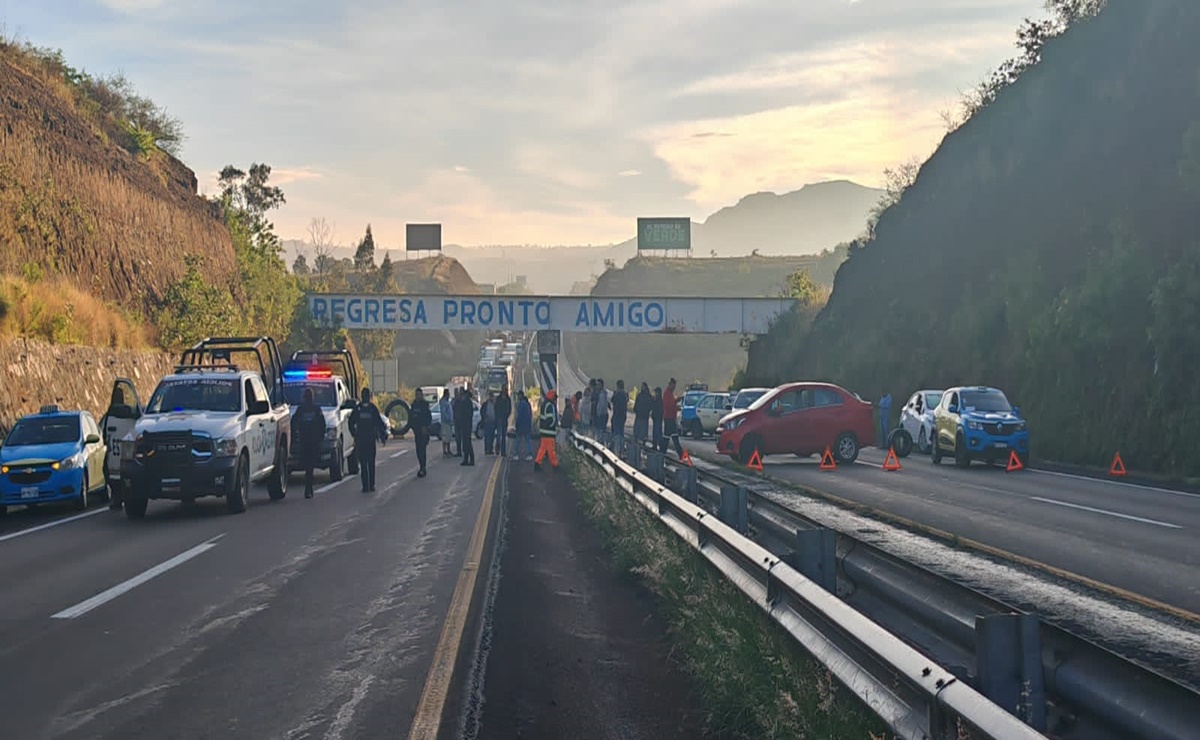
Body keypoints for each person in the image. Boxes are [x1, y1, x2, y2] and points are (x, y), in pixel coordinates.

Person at [349, 387, 389, 492]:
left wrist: (382, 436)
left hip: (367, 440)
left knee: (368, 463)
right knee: (365, 463)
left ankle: (369, 485)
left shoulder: (368, 409)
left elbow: (379, 424)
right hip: (364, 440)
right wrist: (354, 434)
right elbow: (351, 423)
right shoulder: (366, 409)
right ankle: (368, 485)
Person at [292, 387, 328, 499]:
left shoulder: (301, 409)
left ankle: (308, 489)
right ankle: (309, 489)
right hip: (313, 442)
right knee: (310, 466)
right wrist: (321, 438)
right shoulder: (316, 409)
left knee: (307, 466)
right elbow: (323, 425)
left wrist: (295, 436)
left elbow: (293, 422)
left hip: (305, 441)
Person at [534, 389, 559, 472]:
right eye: (555, 398)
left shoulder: (545, 404)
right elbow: (550, 419)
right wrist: (554, 425)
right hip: (549, 432)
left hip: (544, 431)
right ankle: (555, 465)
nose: (555, 400)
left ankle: (537, 462)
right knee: (551, 449)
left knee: (543, 448)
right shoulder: (549, 405)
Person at [410, 387, 432, 478]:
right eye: (416, 395)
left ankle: (423, 468)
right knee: (418, 451)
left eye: (419, 394)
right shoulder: (414, 405)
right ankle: (421, 466)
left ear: (421, 395)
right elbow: (411, 417)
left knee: (422, 450)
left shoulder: (424, 405)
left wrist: (426, 427)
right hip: (417, 431)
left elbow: (428, 417)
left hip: (423, 431)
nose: (417, 396)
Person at [661, 378, 683, 456]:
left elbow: (671, 405)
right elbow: (668, 405)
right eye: (674, 385)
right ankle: (681, 454)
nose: (674, 387)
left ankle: (662, 453)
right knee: (674, 437)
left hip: (670, 418)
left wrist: (676, 407)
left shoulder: (669, 394)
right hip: (669, 418)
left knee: (667, 437)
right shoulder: (667, 394)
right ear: (671, 385)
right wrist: (676, 401)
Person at [454, 387, 476, 466]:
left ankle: (470, 459)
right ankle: (466, 459)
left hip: (466, 424)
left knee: (467, 442)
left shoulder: (467, 402)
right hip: (465, 424)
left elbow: (467, 414)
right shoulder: (465, 402)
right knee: (465, 442)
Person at [513, 390, 534, 461]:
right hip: (527, 425)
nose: (518, 397)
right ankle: (529, 454)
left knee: (518, 440)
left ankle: (516, 454)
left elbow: (519, 416)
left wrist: (516, 425)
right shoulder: (528, 404)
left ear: (521, 395)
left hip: (521, 426)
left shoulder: (521, 404)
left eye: (518, 395)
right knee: (528, 440)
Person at [495, 387, 512, 458]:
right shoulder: (499, 399)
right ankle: (498, 447)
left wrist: (507, 415)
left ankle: (503, 451)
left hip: (504, 419)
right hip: (499, 418)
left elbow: (509, 408)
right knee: (499, 435)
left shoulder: (508, 399)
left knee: (503, 436)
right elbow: (495, 407)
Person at [610, 379, 628, 446]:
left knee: (616, 432)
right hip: (623, 415)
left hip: (617, 415)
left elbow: (612, 400)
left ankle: (616, 446)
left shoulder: (618, 394)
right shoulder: (625, 394)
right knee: (621, 432)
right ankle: (621, 446)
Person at [439, 389, 453, 457]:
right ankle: (444, 451)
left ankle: (448, 450)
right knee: (445, 437)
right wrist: (448, 419)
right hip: (445, 422)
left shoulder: (448, 402)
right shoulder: (443, 402)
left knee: (449, 437)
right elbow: (444, 413)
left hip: (449, 422)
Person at [651, 386, 664, 452]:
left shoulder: (659, 401)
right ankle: (655, 445)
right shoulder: (656, 400)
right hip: (656, 418)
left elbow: (658, 410)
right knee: (656, 432)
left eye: (656, 392)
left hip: (658, 418)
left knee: (657, 432)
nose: (655, 393)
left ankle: (659, 446)